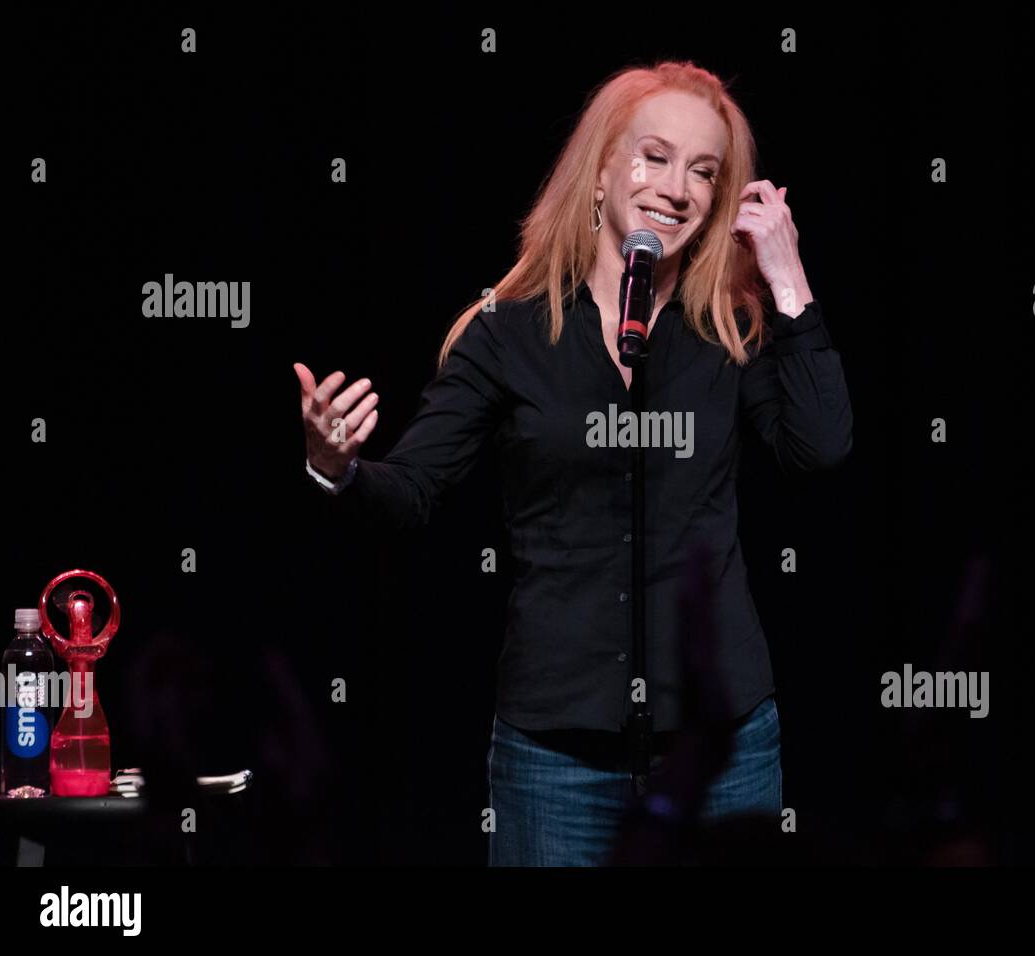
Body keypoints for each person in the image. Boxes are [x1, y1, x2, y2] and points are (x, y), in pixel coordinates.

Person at [293, 60, 853, 865]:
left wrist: (786, 276)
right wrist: (335, 466)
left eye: (704, 171)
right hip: (556, 753)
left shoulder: (732, 329)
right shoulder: (508, 332)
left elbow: (821, 446)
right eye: (653, 157)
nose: (677, 187)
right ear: (598, 170)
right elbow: (411, 491)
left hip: (718, 742)